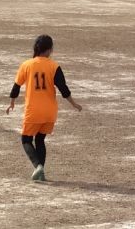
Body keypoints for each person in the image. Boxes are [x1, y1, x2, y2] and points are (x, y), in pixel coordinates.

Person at [6, 35, 82, 181]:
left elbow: (16, 86)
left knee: (26, 140)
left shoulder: (27, 65)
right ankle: (41, 174)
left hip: (33, 111)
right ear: (49, 50)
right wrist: (74, 104)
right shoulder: (54, 66)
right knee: (40, 140)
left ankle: (38, 166)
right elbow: (63, 89)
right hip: (50, 112)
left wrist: (12, 103)